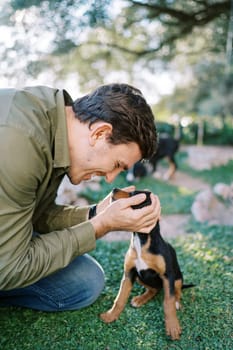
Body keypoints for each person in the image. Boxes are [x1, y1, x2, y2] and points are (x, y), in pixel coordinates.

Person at [0, 83, 160, 311]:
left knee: (85, 280)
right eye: (116, 165)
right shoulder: (20, 142)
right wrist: (101, 226)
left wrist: (96, 214)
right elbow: (7, 266)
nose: (110, 179)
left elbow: (36, 214)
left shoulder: (56, 127)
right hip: (5, 262)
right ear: (100, 133)